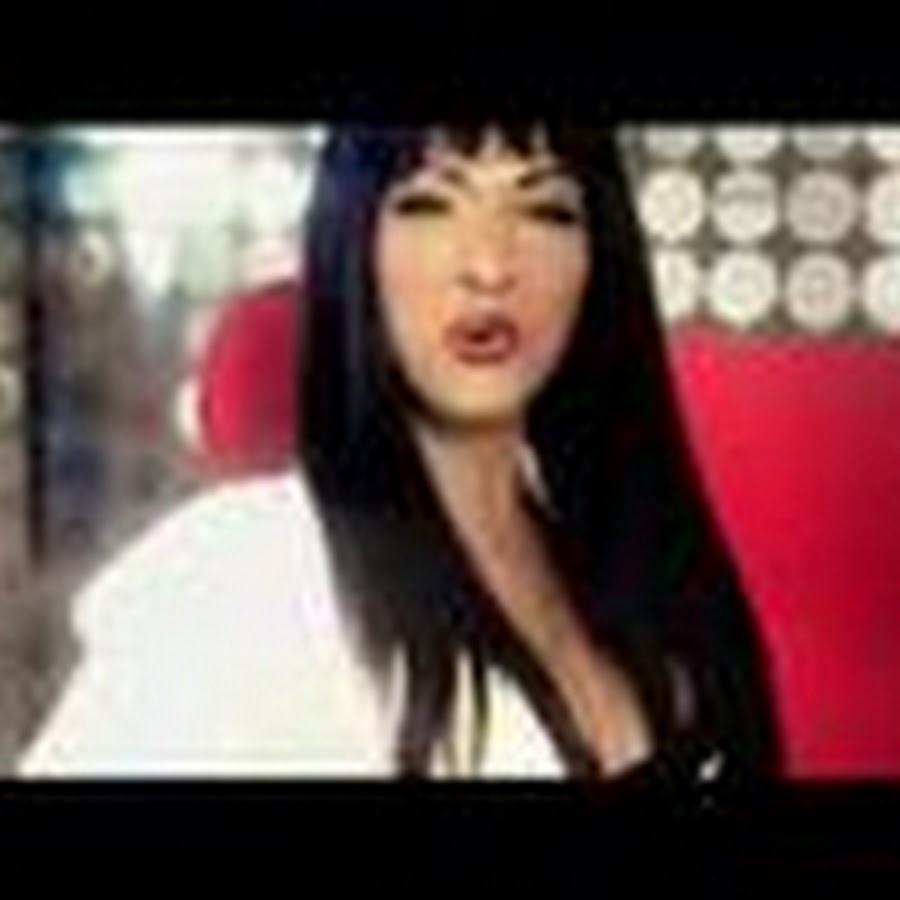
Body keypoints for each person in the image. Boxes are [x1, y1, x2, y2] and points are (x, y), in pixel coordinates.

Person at [18, 123, 781, 785]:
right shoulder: (242, 571)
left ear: (597, 264)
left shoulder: (627, 551)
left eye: (545, 209)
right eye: (429, 204)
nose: (490, 266)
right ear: (354, 245)